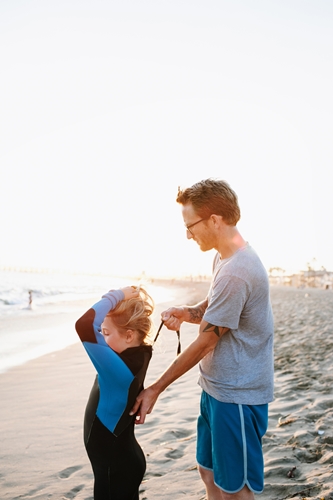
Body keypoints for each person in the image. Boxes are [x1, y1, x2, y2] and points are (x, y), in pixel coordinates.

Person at [131, 179, 274, 500]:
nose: (187, 234)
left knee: (235, 488)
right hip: (216, 387)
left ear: (214, 220)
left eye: (190, 225)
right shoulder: (225, 257)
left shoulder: (239, 270)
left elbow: (207, 342)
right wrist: (187, 311)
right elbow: (215, 305)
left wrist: (155, 388)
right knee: (208, 472)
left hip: (237, 395)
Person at [75, 285, 154, 500]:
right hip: (123, 460)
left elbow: (84, 325)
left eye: (106, 333)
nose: (101, 338)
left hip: (114, 468)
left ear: (129, 336)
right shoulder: (140, 354)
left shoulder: (117, 370)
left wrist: (116, 296)